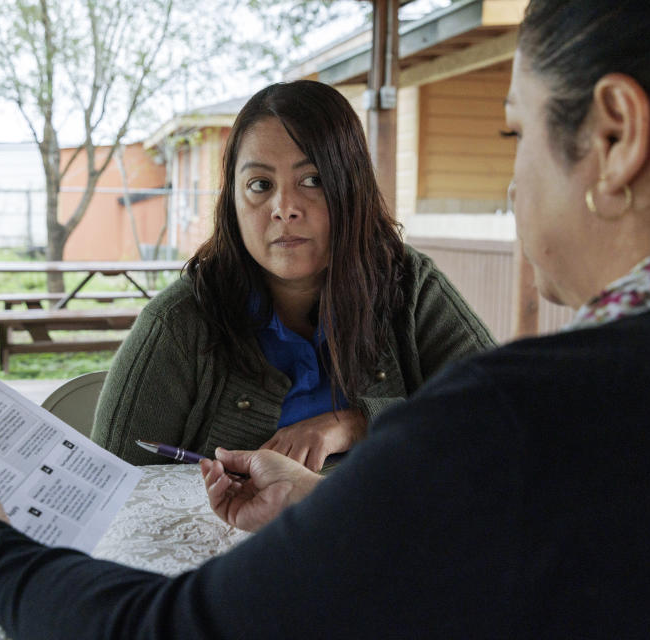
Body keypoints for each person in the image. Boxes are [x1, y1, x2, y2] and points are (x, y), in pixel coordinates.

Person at [0, 1, 650, 636]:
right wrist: (322, 507)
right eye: (259, 185)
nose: (511, 186)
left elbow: (168, 629)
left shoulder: (514, 420)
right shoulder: (598, 410)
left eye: (517, 131)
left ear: (614, 135)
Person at [91, 80, 495, 471]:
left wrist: (355, 423)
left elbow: (502, 411)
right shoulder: (178, 324)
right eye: (260, 185)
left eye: (313, 180)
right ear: (231, 200)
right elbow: (106, 493)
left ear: (353, 188)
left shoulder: (408, 285)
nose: (284, 208)